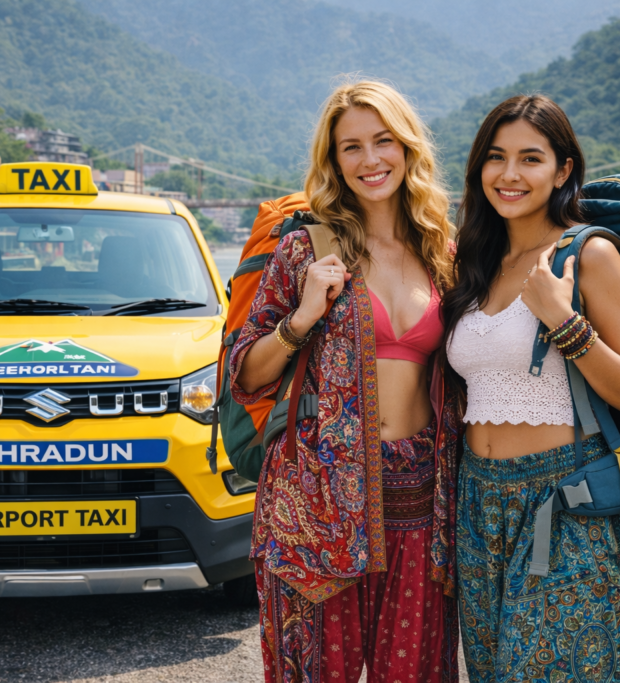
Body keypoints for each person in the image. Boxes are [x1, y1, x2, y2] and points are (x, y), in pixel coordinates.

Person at [230, 80, 462, 683]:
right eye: (351, 147)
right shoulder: (304, 247)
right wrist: (301, 317)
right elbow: (245, 376)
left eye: (383, 141)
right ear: (333, 160)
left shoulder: (442, 252)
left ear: (408, 148)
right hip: (318, 501)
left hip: (419, 496)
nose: (370, 160)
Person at [444, 94, 620, 681]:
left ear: (563, 170)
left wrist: (564, 324)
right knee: (489, 671)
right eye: (496, 157)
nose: (509, 175)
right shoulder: (476, 263)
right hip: (477, 504)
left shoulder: (588, 255)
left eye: (530, 159)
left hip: (565, 502)